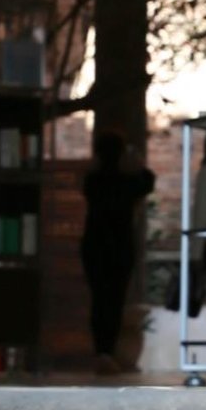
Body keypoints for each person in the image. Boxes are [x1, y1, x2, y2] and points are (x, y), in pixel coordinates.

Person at [79, 127, 155, 370]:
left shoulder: (94, 180)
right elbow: (148, 180)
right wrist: (137, 161)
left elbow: (82, 181)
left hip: (94, 245)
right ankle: (106, 352)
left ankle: (102, 351)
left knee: (99, 299)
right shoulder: (127, 182)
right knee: (114, 299)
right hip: (120, 247)